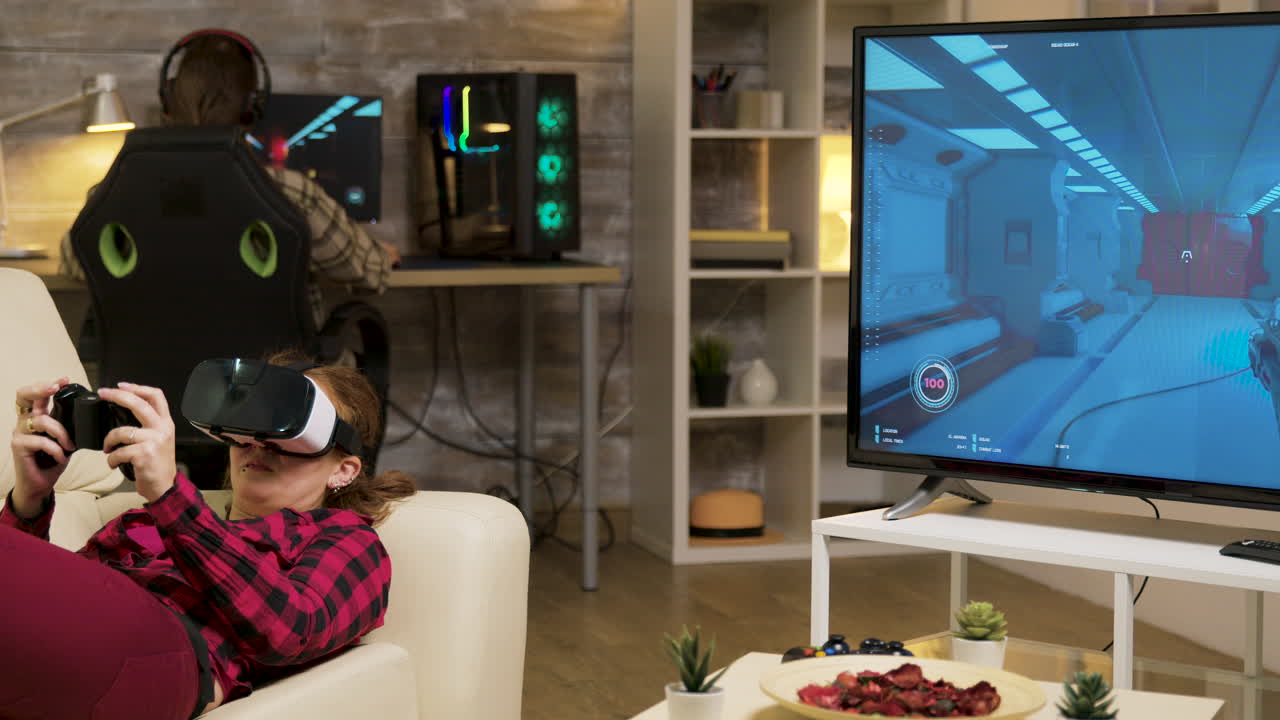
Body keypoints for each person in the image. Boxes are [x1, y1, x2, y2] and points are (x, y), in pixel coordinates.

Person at [0, 351, 417, 719]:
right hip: (67, 654)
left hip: (162, 660)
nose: (259, 444)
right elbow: (34, 603)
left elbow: (293, 631)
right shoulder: (142, 522)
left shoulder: (345, 538)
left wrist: (169, 495)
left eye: (287, 427)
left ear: (343, 470)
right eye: (252, 421)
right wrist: (30, 500)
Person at [58, 30, 401, 328]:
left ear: (168, 100)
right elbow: (369, 274)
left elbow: (74, 263)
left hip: (149, 394)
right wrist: (381, 255)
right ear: (254, 108)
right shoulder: (287, 193)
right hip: (277, 391)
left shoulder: (116, 191)